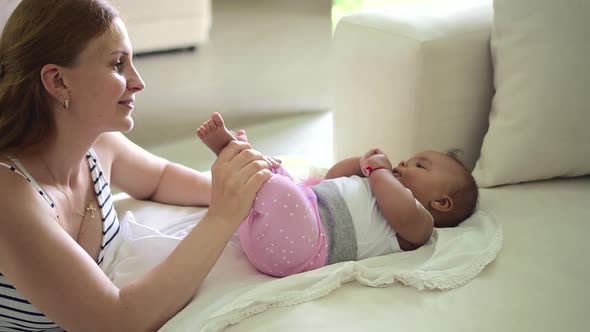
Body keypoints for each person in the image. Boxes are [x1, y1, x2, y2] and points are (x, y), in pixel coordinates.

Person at [0, 1, 273, 331]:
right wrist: (224, 215)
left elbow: (158, 178)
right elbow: (116, 322)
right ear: (58, 81)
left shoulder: (97, 146)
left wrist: (245, 187)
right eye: (117, 64)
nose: (138, 81)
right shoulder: (10, 194)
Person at [197, 112, 479, 278]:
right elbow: (332, 179)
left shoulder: (420, 224)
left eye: (420, 165)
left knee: (282, 192)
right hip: (289, 221)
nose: (404, 163)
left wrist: (378, 173)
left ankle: (240, 161)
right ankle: (244, 166)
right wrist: (360, 165)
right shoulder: (378, 185)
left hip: (307, 246)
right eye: (409, 159)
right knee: (284, 177)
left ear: (440, 202)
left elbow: (401, 210)